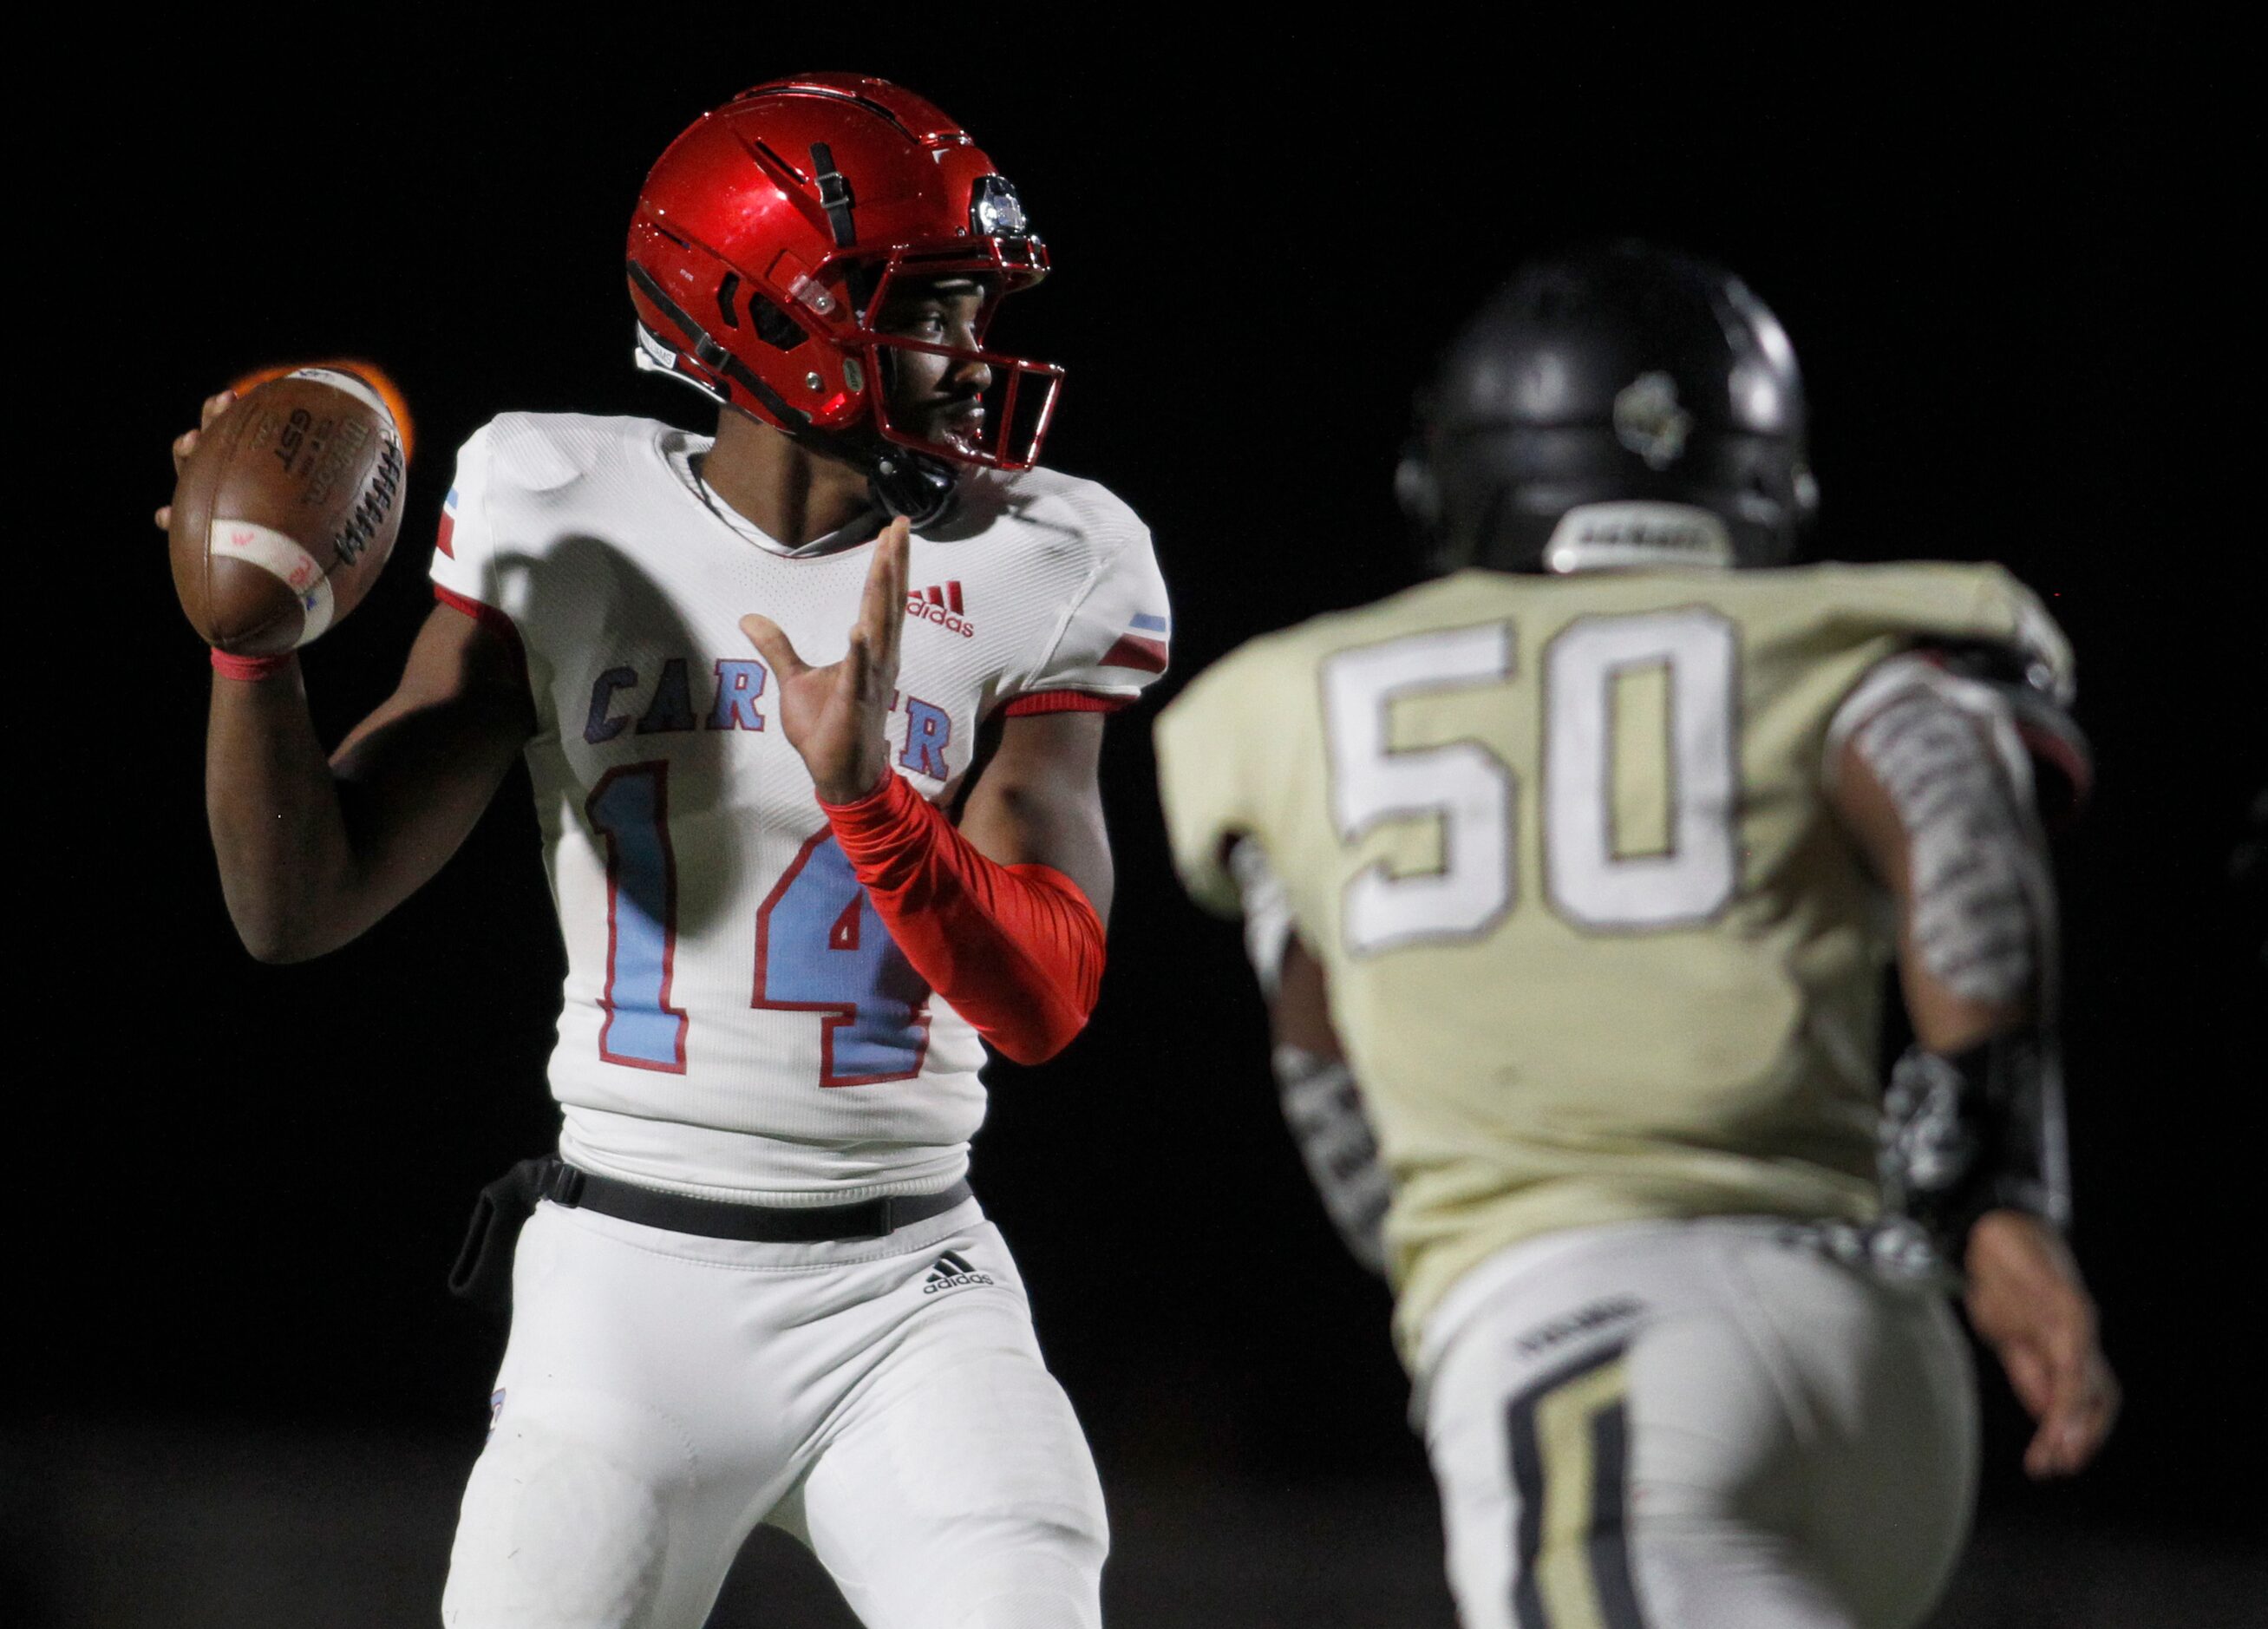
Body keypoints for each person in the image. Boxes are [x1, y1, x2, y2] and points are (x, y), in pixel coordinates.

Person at [159, 74, 1169, 1629]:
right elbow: (298, 905)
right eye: (930, 310)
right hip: (627, 1283)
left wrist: (873, 806)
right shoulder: (561, 501)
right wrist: (253, 654)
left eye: (974, 309)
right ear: (772, 317)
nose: (973, 358)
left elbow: (1044, 1000)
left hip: (908, 1281)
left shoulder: (1050, 555)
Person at [1153, 243, 2116, 1629]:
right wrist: (2006, 1184)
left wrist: (1466, 1264)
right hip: (1880, 1348)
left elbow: (1330, 1080)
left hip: (1593, 1337)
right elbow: (1956, 803)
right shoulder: (1847, 637)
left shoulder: (1291, 697)